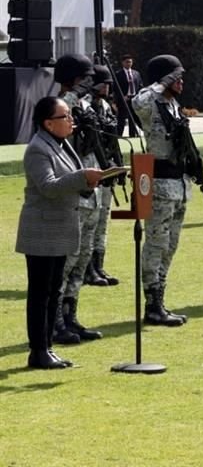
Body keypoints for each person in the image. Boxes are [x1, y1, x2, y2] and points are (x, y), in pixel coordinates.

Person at [16, 96, 104, 369]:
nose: (71, 120)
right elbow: (49, 186)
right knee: (41, 292)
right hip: (42, 229)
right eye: (65, 116)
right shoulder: (37, 149)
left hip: (60, 227)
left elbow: (71, 180)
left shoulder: (62, 144)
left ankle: (48, 347)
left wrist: (89, 182)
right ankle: (38, 350)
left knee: (53, 291)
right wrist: (82, 177)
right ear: (48, 123)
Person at [132, 54, 203, 326]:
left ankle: (160, 300)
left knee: (170, 246)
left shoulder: (173, 105)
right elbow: (136, 102)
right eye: (176, 77)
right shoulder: (150, 103)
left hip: (179, 184)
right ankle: (152, 304)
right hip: (161, 184)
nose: (181, 81)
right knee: (156, 244)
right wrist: (159, 84)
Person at [55, 54, 105, 344]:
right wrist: (74, 94)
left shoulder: (86, 106)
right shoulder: (58, 105)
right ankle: (56, 321)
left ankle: (71, 315)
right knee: (66, 261)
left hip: (91, 194)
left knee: (81, 260)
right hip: (72, 193)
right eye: (85, 77)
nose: (90, 82)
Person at [84, 64, 122, 287]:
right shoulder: (86, 107)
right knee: (92, 220)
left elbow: (112, 138)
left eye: (108, 84)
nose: (107, 88)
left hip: (108, 167)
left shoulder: (106, 106)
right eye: (103, 83)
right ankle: (88, 268)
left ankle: (98, 264)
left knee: (103, 221)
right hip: (93, 167)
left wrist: (117, 165)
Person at [115, 54, 142, 137]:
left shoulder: (136, 74)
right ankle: (118, 138)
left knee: (133, 120)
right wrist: (122, 97)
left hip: (134, 99)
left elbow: (140, 85)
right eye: (127, 62)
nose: (129, 64)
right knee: (121, 120)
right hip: (124, 100)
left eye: (130, 62)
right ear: (123, 63)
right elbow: (115, 88)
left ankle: (132, 137)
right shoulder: (118, 74)